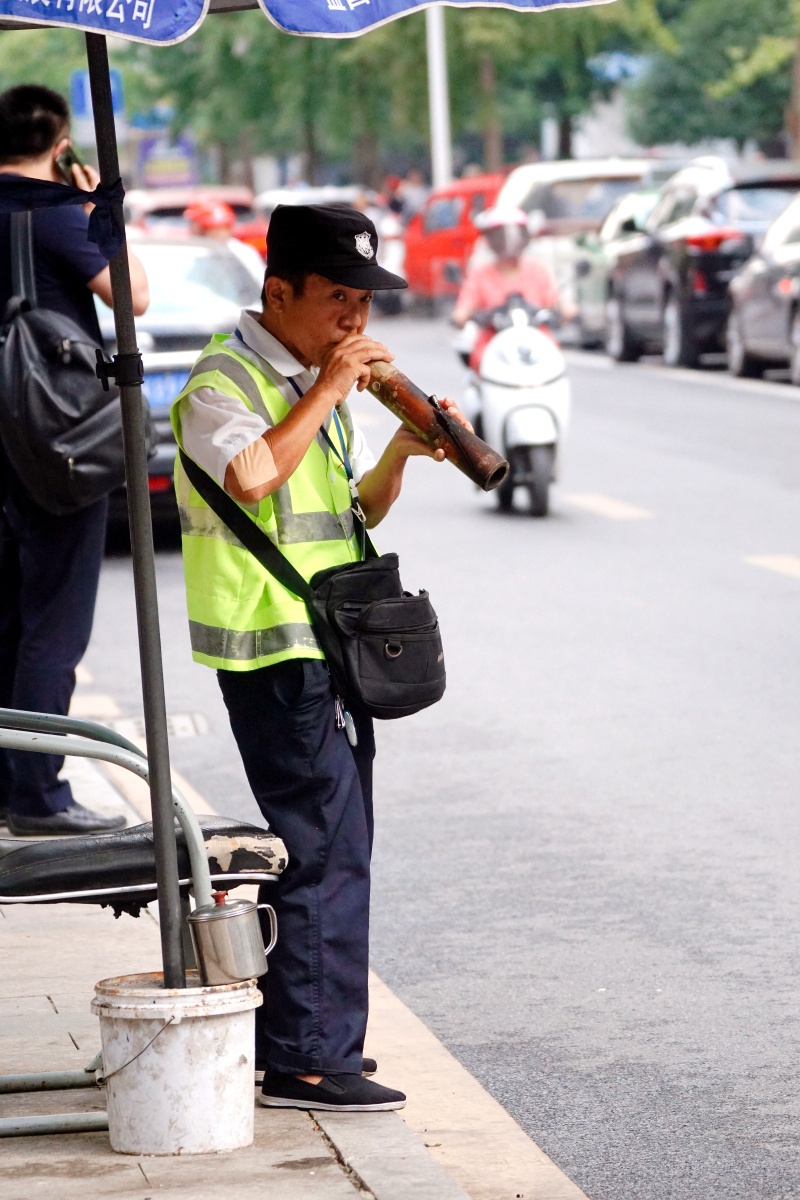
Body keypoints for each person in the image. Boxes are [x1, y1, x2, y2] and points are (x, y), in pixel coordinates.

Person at [171, 203, 470, 1112]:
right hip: (274, 656)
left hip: (329, 648)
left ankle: (325, 1039)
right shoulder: (221, 381)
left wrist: (404, 453)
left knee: (344, 846)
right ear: (278, 291)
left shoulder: (314, 382)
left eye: (365, 302)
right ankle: (302, 1059)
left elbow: (353, 515)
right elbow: (252, 477)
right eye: (338, 297)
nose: (356, 320)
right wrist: (331, 392)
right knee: (318, 850)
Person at [0, 85, 149, 835]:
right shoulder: (57, 216)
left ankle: (6, 781)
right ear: (61, 144)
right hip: (51, 444)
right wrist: (104, 217)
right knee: (54, 621)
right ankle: (37, 794)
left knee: (6, 616)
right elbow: (137, 298)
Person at [451, 206, 561, 330]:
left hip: (536, 340)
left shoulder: (538, 270)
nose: (510, 242)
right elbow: (464, 307)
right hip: (493, 341)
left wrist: (566, 310)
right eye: (500, 235)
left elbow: (556, 303)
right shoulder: (480, 273)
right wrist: (463, 315)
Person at [183, 199, 266, 282]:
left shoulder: (242, 252)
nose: (220, 233)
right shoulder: (189, 252)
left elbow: (260, 284)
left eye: (223, 228)